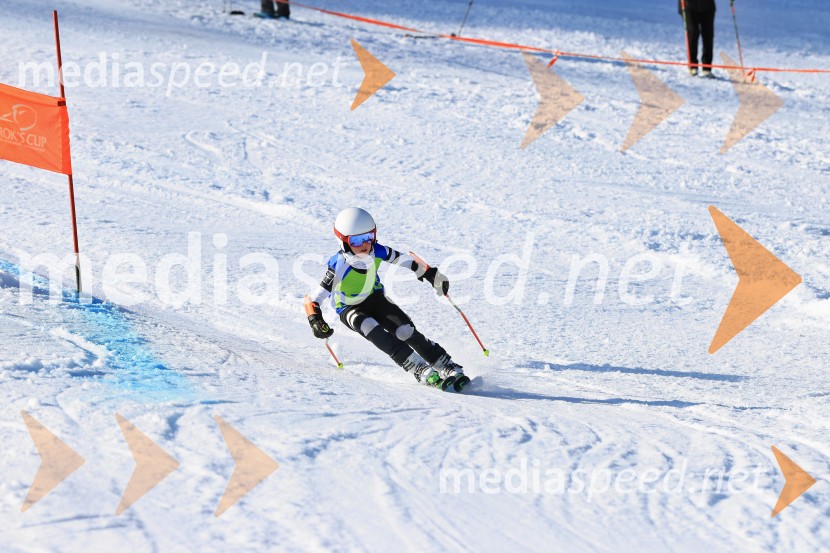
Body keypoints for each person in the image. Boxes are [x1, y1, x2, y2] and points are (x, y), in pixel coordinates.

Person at [304, 207, 465, 387]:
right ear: (343, 242)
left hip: (375, 298)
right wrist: (315, 320)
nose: (365, 244)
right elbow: (312, 299)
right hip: (349, 308)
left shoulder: (377, 251)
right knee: (373, 330)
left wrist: (430, 274)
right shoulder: (339, 265)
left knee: (405, 331)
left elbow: (407, 261)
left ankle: (444, 363)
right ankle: (416, 367)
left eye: (369, 237)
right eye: (356, 240)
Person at [679, 0, 716, 77]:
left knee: (708, 34)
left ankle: (707, 68)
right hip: (689, 5)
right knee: (693, 32)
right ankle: (693, 66)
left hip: (707, 6)